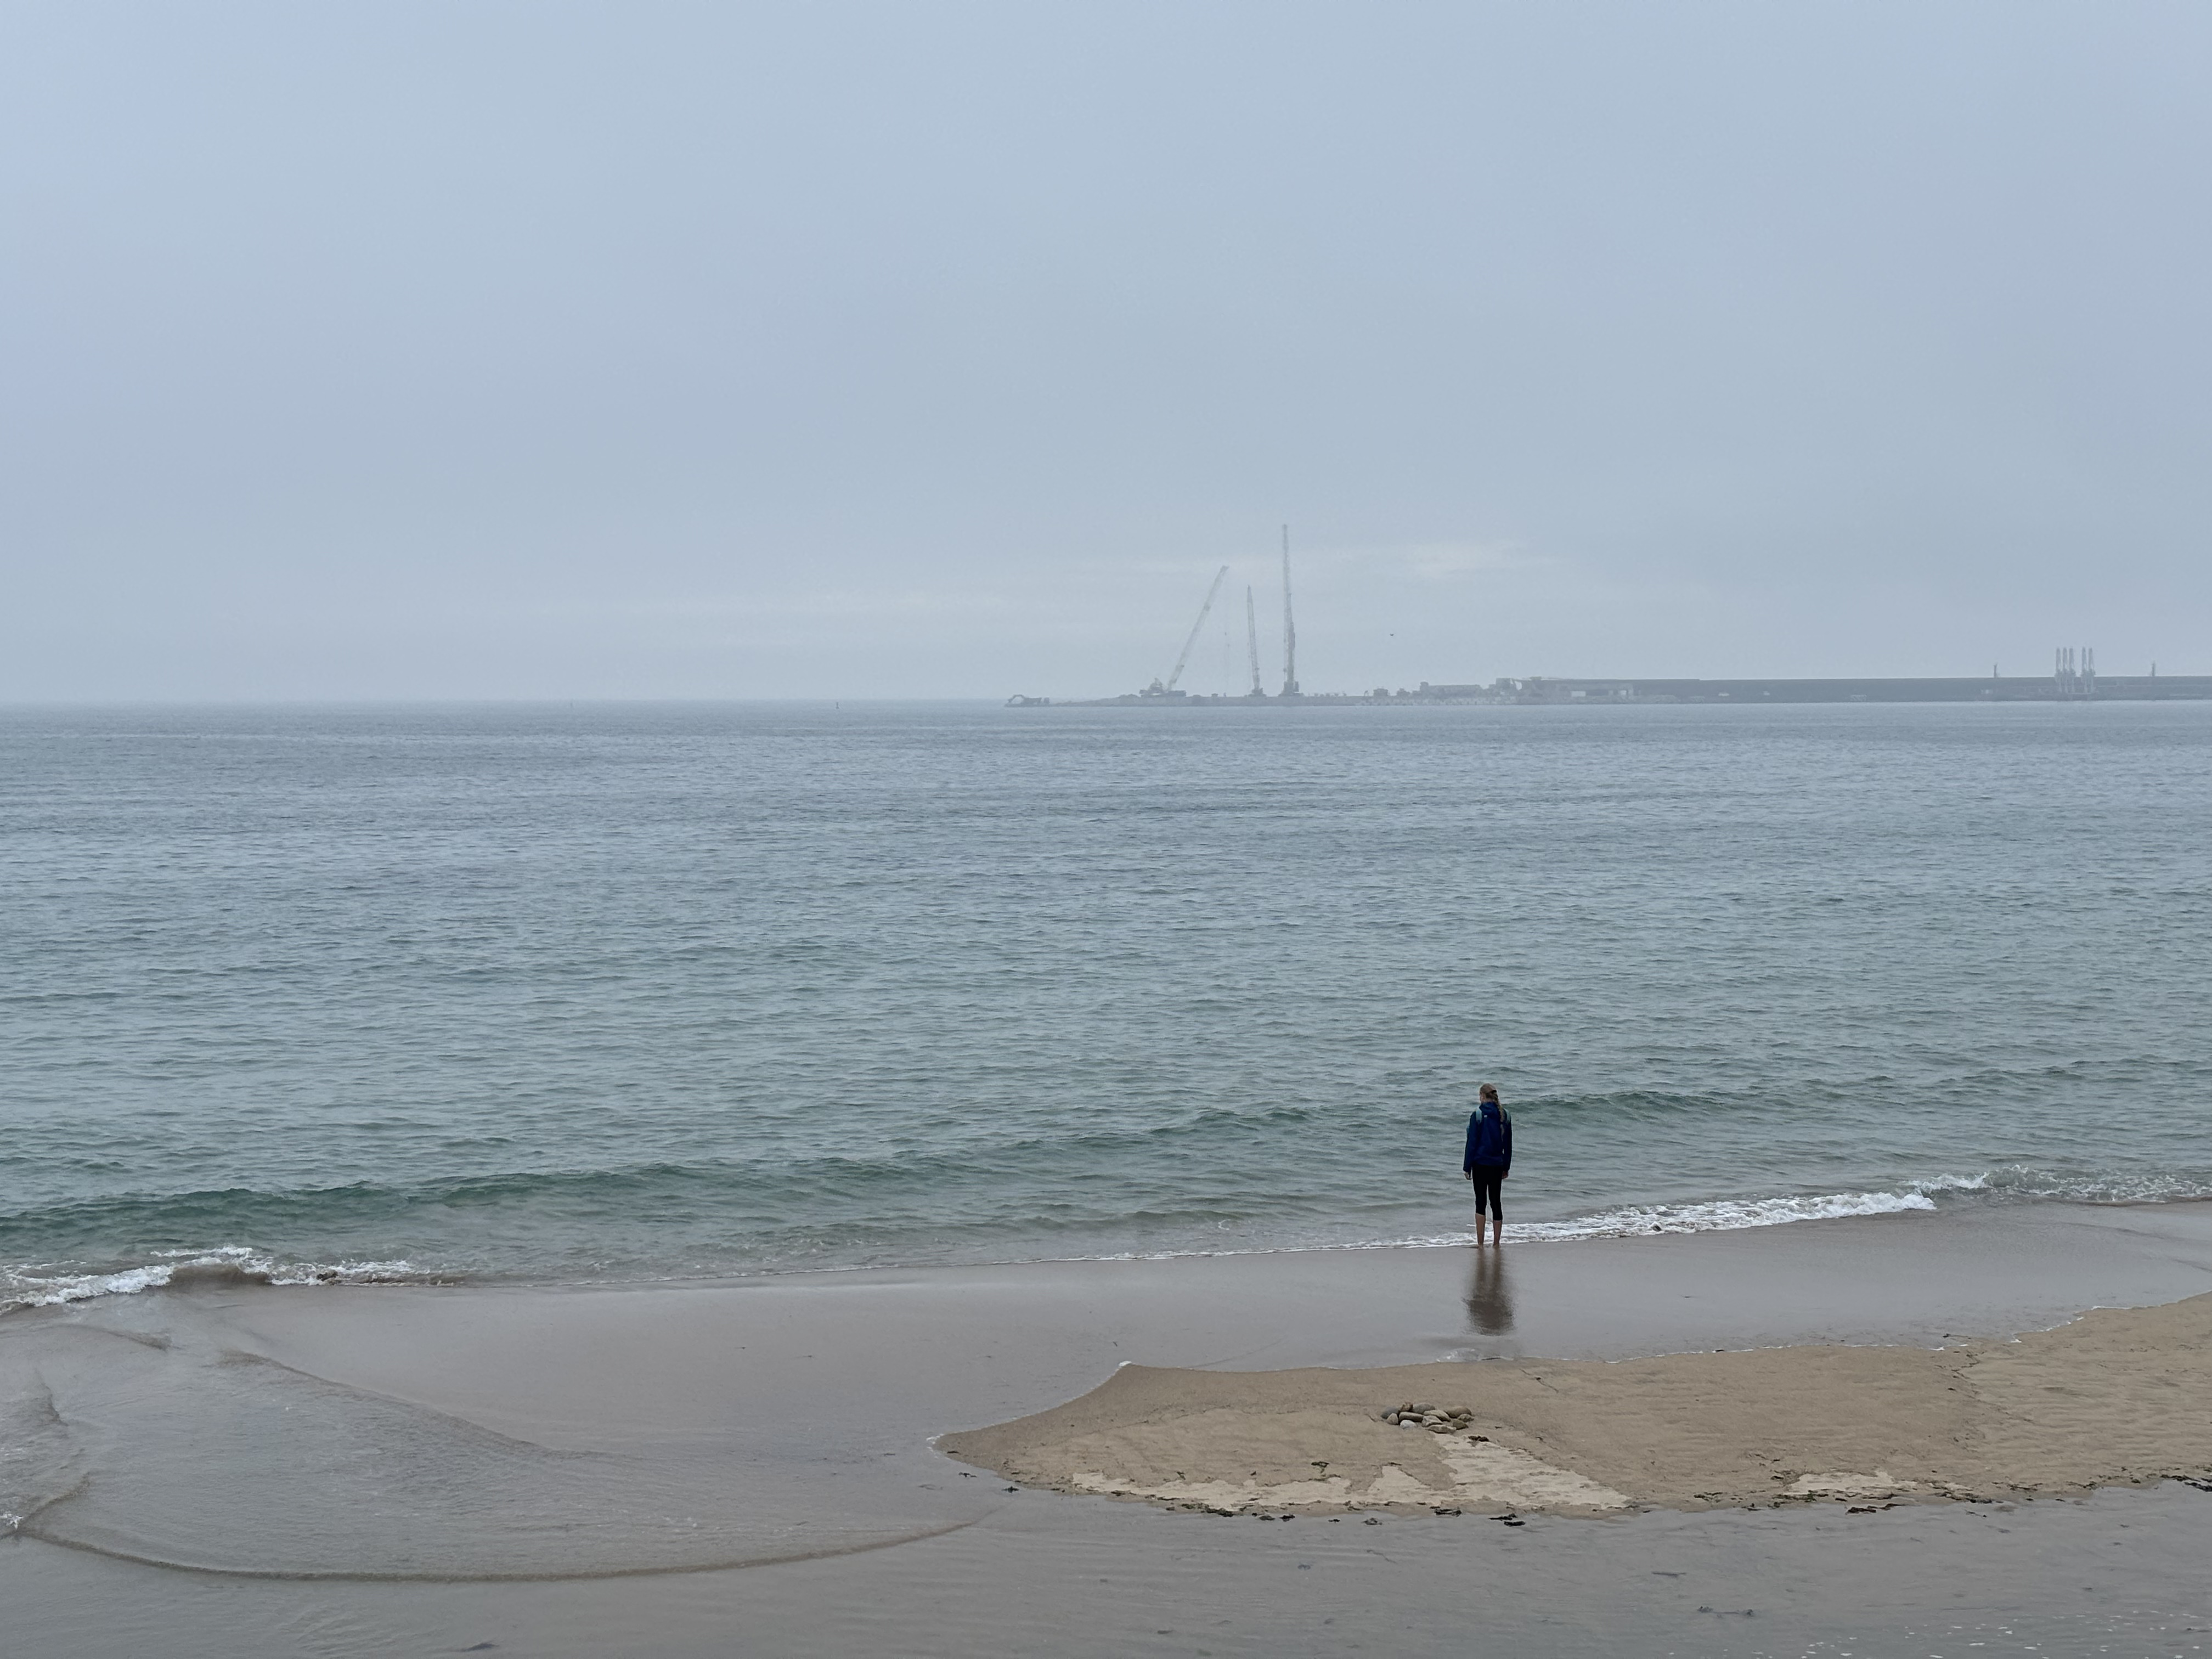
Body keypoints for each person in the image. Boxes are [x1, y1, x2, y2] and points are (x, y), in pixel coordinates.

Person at [1462, 1083, 1512, 1247]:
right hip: (1497, 1165)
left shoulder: (1477, 1114)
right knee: (1496, 1202)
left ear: (1483, 1097)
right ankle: (1497, 1243)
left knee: (1480, 1202)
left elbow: (1472, 1143)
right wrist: (1506, 1167)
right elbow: (1508, 1145)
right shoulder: (1505, 1115)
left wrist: (1467, 1167)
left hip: (1480, 1164)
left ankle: (1481, 1243)